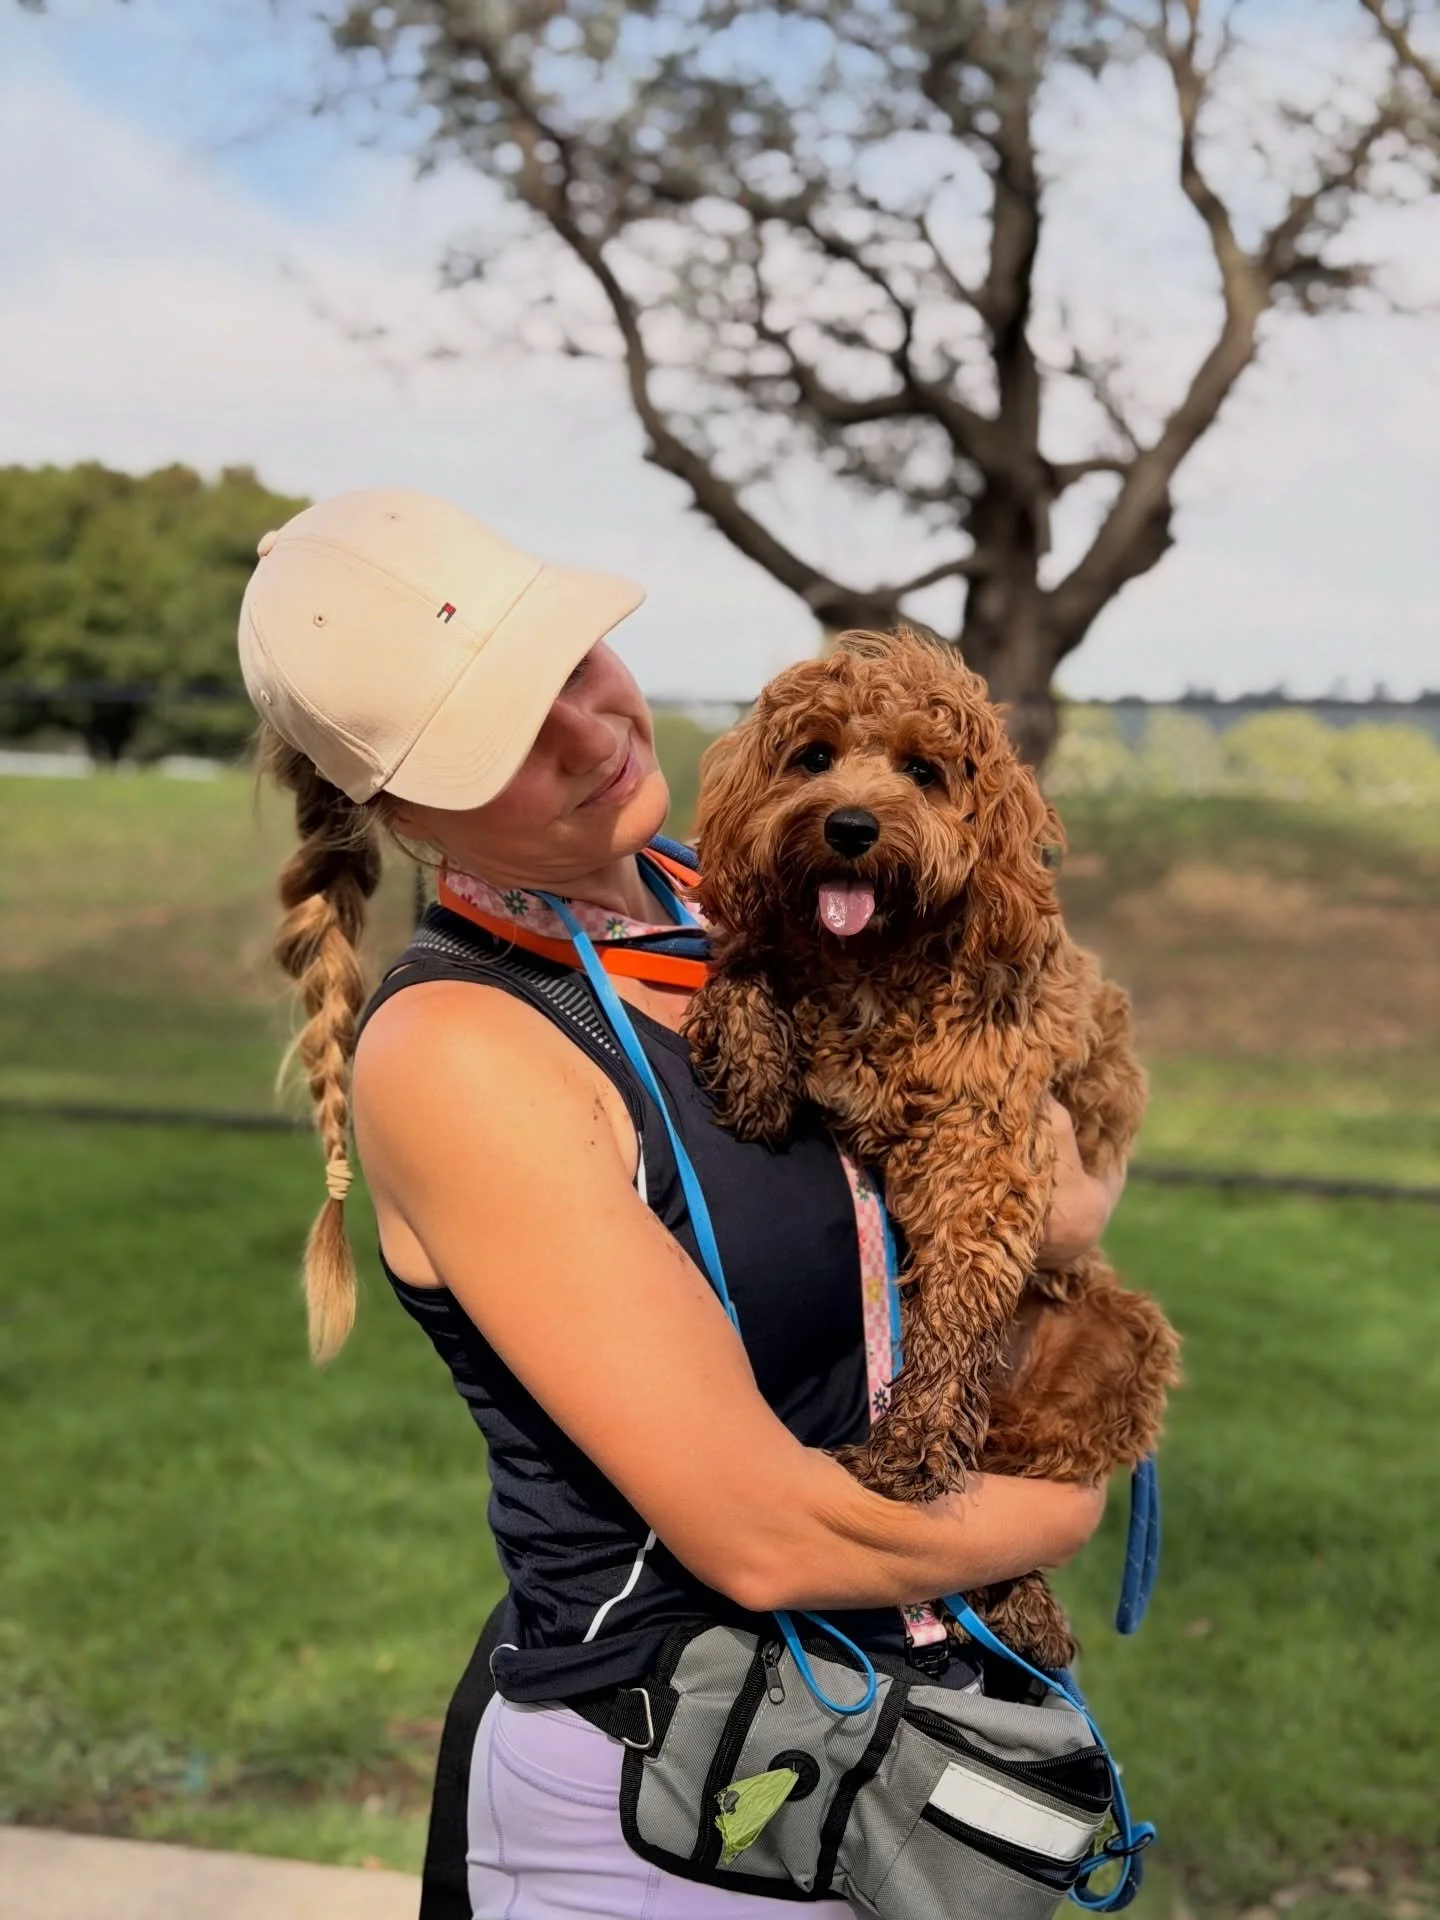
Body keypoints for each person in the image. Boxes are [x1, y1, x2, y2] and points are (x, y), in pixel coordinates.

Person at [241, 489, 1125, 1920]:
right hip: (669, 1794)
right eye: (501, 733)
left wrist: (1049, 1191)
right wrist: (1062, 1511)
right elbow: (763, 1536)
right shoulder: (467, 1050)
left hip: (886, 1738)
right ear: (392, 808)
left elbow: (1064, 1171)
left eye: (570, 665)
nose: (588, 732)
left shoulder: (746, 893)